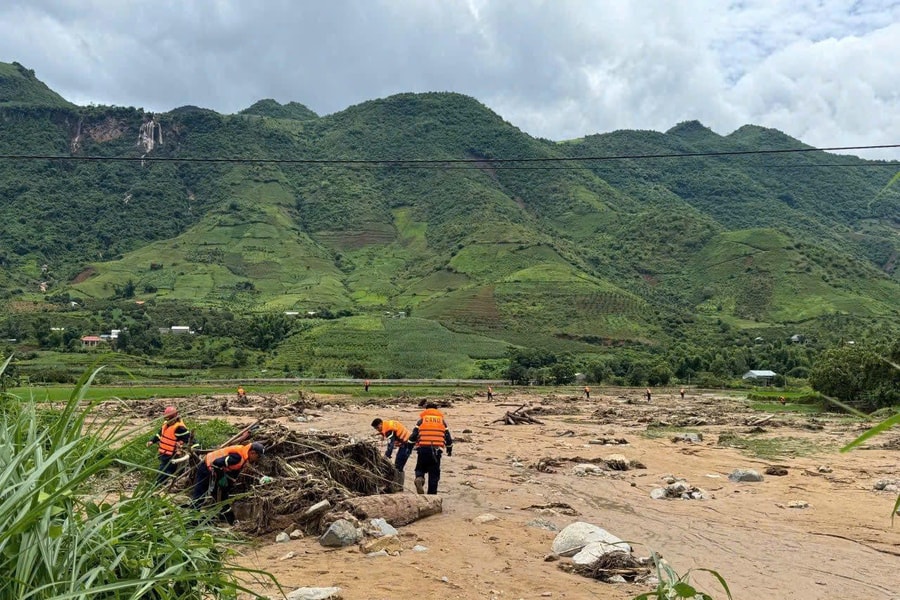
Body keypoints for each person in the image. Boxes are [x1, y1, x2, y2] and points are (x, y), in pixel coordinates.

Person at [192, 441, 264, 524]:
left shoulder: (243, 456)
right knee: (201, 493)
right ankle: (192, 518)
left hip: (214, 471)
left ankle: (223, 518)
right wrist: (222, 477)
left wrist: (230, 482)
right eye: (258, 457)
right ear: (252, 453)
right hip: (206, 468)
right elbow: (216, 463)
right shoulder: (237, 457)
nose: (258, 459)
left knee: (222, 495)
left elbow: (232, 470)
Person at [407, 402, 453, 495]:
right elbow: (448, 437)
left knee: (420, 468)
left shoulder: (421, 421)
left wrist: (409, 447)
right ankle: (432, 497)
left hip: (423, 449)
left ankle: (419, 478)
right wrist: (449, 449)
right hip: (436, 451)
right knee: (434, 475)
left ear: (426, 410)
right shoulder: (442, 421)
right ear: (436, 410)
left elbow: (413, 436)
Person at [146, 405, 191, 485]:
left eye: (170, 419)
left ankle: (158, 484)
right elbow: (160, 435)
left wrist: (180, 443)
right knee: (165, 468)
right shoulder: (165, 425)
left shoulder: (180, 428)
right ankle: (162, 482)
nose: (169, 421)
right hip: (163, 453)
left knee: (165, 469)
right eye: (167, 419)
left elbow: (188, 439)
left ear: (175, 417)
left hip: (172, 454)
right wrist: (152, 441)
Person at [371, 418, 414, 483]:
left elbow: (390, 445)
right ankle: (398, 484)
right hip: (406, 442)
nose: (377, 430)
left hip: (407, 444)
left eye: (377, 427)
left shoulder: (389, 430)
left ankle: (398, 485)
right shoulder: (387, 425)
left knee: (399, 464)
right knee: (398, 464)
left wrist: (386, 456)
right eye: (376, 429)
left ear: (381, 424)